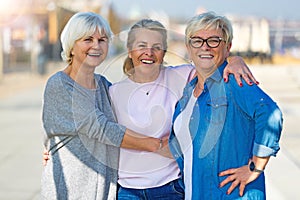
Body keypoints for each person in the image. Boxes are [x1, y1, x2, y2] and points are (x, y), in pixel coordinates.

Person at [108, 19, 259, 200]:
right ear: (129, 49)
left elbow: (210, 60)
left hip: (170, 188)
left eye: (156, 46)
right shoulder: (114, 92)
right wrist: (153, 144)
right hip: (127, 190)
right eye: (142, 45)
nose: (149, 53)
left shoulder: (180, 76)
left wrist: (234, 60)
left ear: (164, 51)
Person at [41, 12, 166, 200]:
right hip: (71, 192)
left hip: (104, 192)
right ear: (72, 46)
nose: (96, 46)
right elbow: (100, 128)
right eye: (88, 39)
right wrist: (155, 144)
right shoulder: (59, 84)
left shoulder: (104, 86)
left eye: (102, 40)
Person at [168, 12, 283, 199]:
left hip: (231, 194)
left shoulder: (234, 81)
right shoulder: (188, 92)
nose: (205, 47)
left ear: (227, 47)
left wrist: (255, 166)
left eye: (214, 40)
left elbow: (271, 113)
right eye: (197, 40)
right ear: (189, 48)